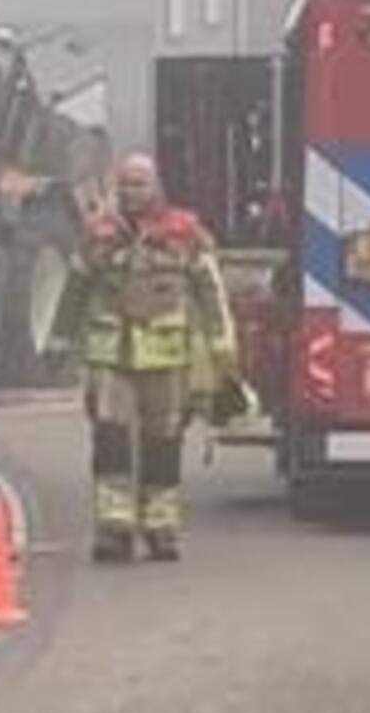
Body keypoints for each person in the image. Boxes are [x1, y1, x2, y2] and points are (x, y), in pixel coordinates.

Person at [63, 153, 241, 564]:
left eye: (139, 183)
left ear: (156, 186)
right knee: (111, 443)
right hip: (111, 358)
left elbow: (210, 291)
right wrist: (58, 342)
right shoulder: (99, 234)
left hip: (166, 358)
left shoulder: (185, 233)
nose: (132, 192)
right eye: (125, 184)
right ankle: (114, 530)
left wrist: (222, 345)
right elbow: (75, 290)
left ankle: (161, 530)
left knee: (163, 445)